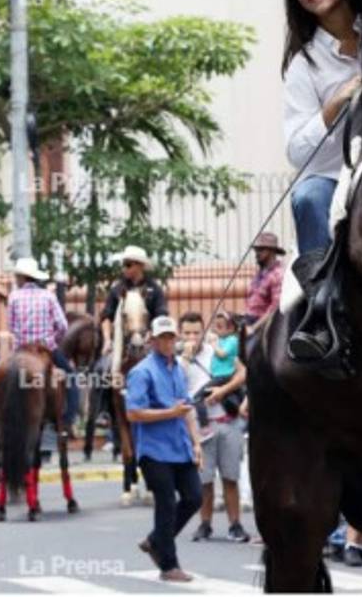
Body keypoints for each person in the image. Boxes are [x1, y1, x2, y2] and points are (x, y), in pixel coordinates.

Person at [269, 0, 362, 362]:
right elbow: (296, 151)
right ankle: (321, 313)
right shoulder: (302, 67)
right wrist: (332, 108)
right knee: (307, 195)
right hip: (334, 175)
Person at [127, 316, 203, 583]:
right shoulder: (141, 372)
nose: (169, 341)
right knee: (167, 503)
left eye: (172, 337)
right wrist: (171, 412)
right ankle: (169, 565)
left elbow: (188, 410)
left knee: (195, 497)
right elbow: (134, 413)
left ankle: (155, 540)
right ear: (153, 341)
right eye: (164, 337)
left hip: (180, 447)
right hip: (153, 450)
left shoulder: (178, 370)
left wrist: (196, 443)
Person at [179, 312, 251, 544]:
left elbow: (243, 373)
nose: (192, 337)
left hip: (227, 423)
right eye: (187, 333)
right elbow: (176, 393)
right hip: (201, 429)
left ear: (204, 332)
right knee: (205, 480)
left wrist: (223, 391)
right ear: (181, 334)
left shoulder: (216, 350)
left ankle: (235, 524)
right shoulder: (179, 362)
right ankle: (205, 523)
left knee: (231, 477)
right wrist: (185, 361)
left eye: (196, 332)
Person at [7, 257, 77, 428]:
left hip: (22, 351)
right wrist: (53, 339)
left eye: (17, 276)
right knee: (72, 378)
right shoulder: (48, 296)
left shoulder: (13, 297)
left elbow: (11, 327)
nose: (16, 278)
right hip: (46, 349)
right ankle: (68, 420)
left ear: (22, 277)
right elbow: (62, 325)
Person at [100, 245, 169, 357]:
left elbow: (161, 314)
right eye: (123, 265)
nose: (124, 269)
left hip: (148, 340)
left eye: (128, 265)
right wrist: (107, 340)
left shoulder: (154, 289)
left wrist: (151, 334)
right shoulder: (117, 289)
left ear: (140, 265)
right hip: (120, 342)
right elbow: (106, 316)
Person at [244, 232, 286, 326]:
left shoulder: (278, 275)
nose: (256, 254)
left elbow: (275, 309)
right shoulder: (260, 273)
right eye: (256, 250)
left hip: (263, 326)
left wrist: (254, 328)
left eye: (261, 250)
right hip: (249, 320)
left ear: (271, 251)